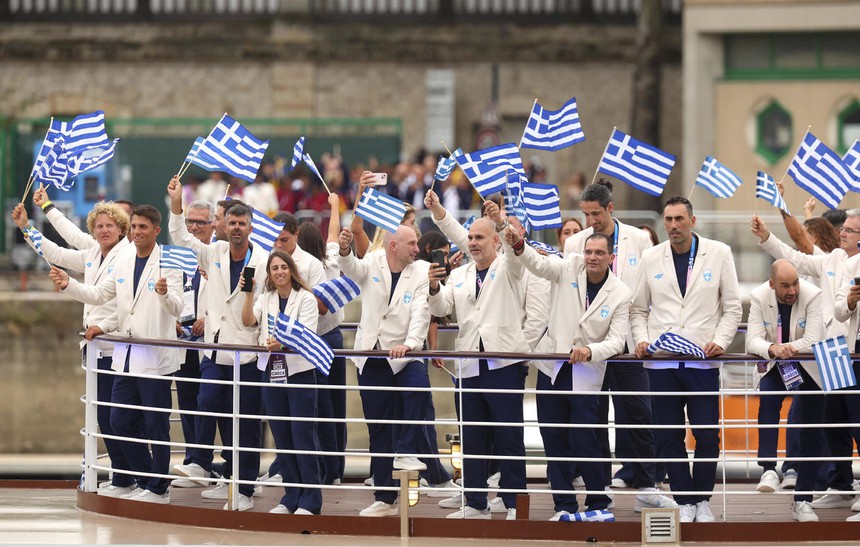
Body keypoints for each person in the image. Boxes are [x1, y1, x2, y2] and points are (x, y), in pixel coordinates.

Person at [505, 228, 649, 520]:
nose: (592, 257)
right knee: (553, 436)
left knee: (586, 438)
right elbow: (539, 265)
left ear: (611, 257)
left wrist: (591, 350)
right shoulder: (569, 266)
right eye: (589, 252)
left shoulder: (621, 293)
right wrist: (518, 243)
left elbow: (617, 340)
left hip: (586, 371)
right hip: (553, 367)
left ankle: (597, 501)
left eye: (599, 253)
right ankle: (564, 506)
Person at [49, 205, 183, 505]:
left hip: (155, 357)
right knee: (118, 419)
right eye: (134, 227)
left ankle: (159, 488)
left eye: (143, 228)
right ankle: (143, 476)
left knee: (156, 425)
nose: (137, 232)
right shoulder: (123, 263)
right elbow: (100, 297)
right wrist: (69, 284)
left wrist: (164, 294)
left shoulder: (168, 263)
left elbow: (179, 308)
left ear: (155, 231)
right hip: (126, 353)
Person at [631, 197, 742, 523]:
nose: (674, 226)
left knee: (707, 433)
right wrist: (641, 339)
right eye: (668, 219)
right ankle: (684, 498)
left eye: (680, 219)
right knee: (668, 434)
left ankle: (703, 498)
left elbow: (733, 306)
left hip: (701, 360)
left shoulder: (718, 252)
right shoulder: (651, 257)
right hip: (662, 360)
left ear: (692, 220)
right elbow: (638, 309)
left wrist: (720, 341)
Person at [12, 200, 134, 497]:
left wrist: (70, 286)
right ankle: (123, 476)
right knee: (103, 417)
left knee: (120, 417)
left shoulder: (127, 256)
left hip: (119, 345)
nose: (104, 230)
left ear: (121, 229)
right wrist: (27, 227)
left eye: (110, 225)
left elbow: (123, 303)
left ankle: (130, 476)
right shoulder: (93, 253)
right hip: (95, 348)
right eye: (100, 226)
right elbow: (57, 251)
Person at [167, 176, 269, 512]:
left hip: (250, 352)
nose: (236, 228)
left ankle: (244, 488)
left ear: (251, 226)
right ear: (222, 225)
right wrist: (176, 204)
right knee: (206, 398)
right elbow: (182, 236)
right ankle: (199, 460)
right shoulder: (214, 252)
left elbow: (267, 305)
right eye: (232, 223)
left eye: (242, 223)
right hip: (216, 347)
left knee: (247, 424)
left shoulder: (264, 261)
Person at [427, 206, 529, 520]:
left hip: (504, 363)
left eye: (479, 237)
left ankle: (513, 502)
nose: (472, 242)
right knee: (472, 435)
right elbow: (443, 306)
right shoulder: (460, 274)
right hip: (470, 361)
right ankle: (475, 502)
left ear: (496, 241)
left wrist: (503, 224)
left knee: (508, 436)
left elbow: (516, 254)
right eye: (469, 237)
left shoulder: (510, 266)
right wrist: (433, 287)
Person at [563, 180, 661, 504]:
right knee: (593, 419)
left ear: (610, 208)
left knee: (639, 414)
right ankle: (599, 486)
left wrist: (645, 337)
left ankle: (647, 485)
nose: (591, 220)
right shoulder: (575, 243)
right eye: (586, 214)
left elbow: (645, 296)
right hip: (588, 347)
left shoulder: (641, 239)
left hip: (628, 343)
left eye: (596, 213)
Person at [337, 224, 433, 517]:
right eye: (412, 244)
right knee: (378, 429)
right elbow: (351, 268)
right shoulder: (373, 260)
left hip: (406, 354)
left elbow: (421, 310)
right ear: (394, 245)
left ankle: (405, 450)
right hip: (372, 355)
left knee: (419, 391)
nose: (417, 249)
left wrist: (412, 343)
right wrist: (344, 248)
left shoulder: (421, 270)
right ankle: (384, 497)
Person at [241, 250, 324, 515]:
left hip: (299, 374)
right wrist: (248, 293)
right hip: (272, 373)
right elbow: (247, 322)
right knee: (282, 436)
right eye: (274, 268)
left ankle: (311, 499)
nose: (279, 272)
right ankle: (291, 496)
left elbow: (308, 335)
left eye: (283, 267)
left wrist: (283, 344)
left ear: (291, 270)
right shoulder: (266, 299)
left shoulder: (307, 299)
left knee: (302, 436)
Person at [746, 260, 825, 521]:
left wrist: (785, 347)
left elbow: (814, 340)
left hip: (810, 365)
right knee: (767, 401)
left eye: (795, 283)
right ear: (772, 285)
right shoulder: (759, 296)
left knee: (813, 429)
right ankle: (768, 467)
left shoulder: (812, 295)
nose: (792, 290)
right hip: (777, 365)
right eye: (785, 285)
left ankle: (804, 499)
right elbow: (752, 340)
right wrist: (772, 349)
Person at [750, 210, 860, 340]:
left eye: (849, 230)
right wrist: (766, 236)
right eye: (842, 229)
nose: (842, 234)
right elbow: (796, 259)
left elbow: (800, 238)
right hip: (832, 345)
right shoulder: (834, 258)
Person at [170, 200, 216, 488]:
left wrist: (207, 317)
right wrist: (170, 317)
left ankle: (208, 462)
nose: (195, 227)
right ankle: (193, 461)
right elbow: (167, 290)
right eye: (191, 222)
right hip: (184, 340)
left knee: (210, 403)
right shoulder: (177, 256)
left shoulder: (218, 254)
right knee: (187, 403)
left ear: (213, 225)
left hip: (212, 343)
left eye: (201, 222)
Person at [824, 251, 860, 520]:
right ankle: (840, 485)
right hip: (839, 350)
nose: (844, 235)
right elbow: (838, 311)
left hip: (842, 350)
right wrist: (850, 300)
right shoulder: (850, 263)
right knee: (834, 420)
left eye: (851, 231)